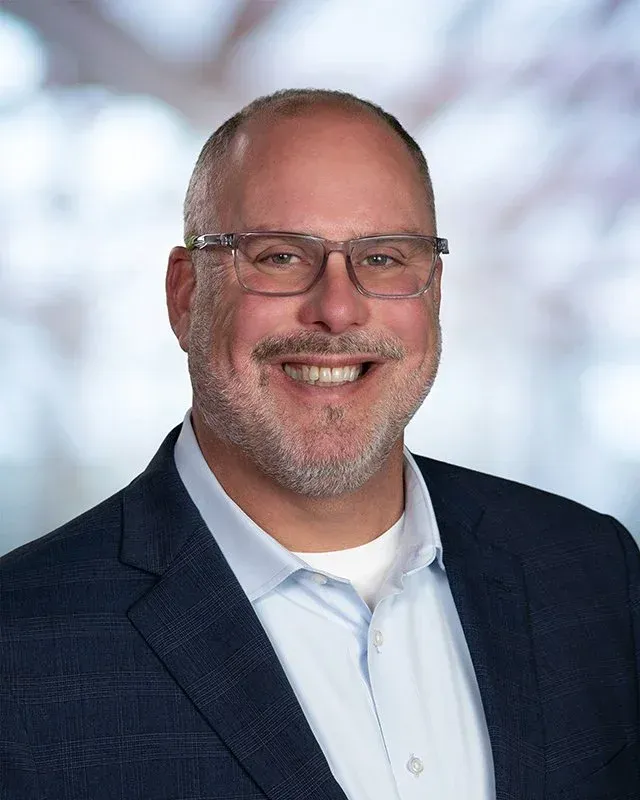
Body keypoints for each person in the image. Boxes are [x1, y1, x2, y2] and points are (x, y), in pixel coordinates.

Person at [1, 89, 638, 800]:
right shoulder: (21, 651)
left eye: (386, 258)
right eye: (279, 256)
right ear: (186, 295)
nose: (337, 309)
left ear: (434, 292)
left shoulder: (592, 571)